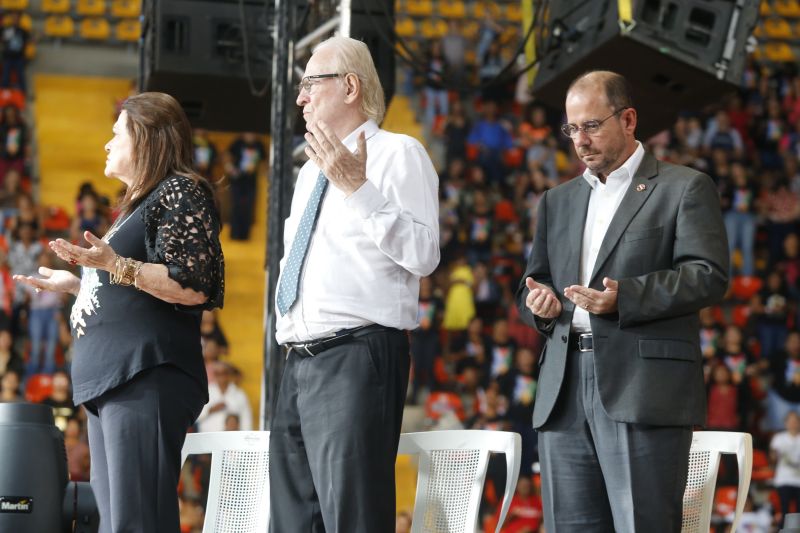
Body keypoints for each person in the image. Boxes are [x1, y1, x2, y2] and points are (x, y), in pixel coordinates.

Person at [515, 70, 729, 531]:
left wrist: (625, 297)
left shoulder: (684, 187)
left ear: (628, 119)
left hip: (643, 387)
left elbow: (708, 276)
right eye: (572, 129)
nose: (580, 140)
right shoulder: (558, 200)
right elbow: (534, 281)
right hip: (564, 389)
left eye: (592, 125)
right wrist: (542, 304)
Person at [13, 92, 224, 533]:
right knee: (118, 522)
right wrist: (77, 284)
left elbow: (191, 284)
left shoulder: (180, 191)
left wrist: (112, 265)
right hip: (112, 382)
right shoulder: (134, 207)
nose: (107, 144)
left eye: (117, 134)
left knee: (136, 521)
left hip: (144, 376)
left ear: (145, 138)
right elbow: (131, 286)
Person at [270, 36, 439, 533]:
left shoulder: (399, 154)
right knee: (293, 522)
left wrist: (358, 188)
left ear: (349, 87)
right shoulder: (307, 174)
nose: (300, 98)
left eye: (309, 84)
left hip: (356, 356)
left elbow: (424, 256)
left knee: (353, 519)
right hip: (297, 361)